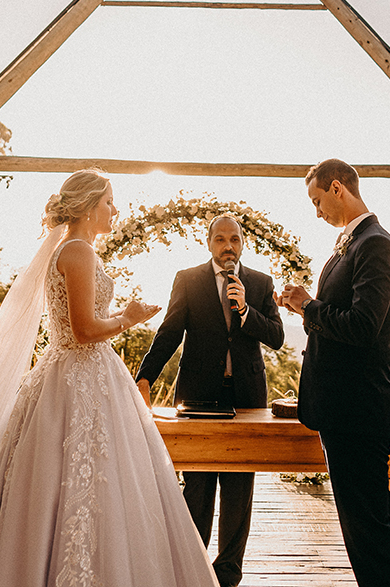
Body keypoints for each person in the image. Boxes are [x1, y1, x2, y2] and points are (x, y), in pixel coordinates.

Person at [0, 169, 219, 587]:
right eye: (109, 201)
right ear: (88, 205)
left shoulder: (73, 249)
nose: (115, 210)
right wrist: (127, 319)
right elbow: (83, 330)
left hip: (74, 373)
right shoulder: (78, 251)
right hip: (78, 374)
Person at [278, 159, 390, 587]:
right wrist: (307, 308)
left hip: (359, 410)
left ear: (338, 188)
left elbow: (364, 326)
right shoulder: (349, 244)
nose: (317, 212)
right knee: (359, 529)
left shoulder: (375, 245)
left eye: (317, 201)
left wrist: (306, 306)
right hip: (342, 409)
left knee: (370, 527)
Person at [135, 213, 284, 587]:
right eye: (220, 239)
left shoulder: (261, 283)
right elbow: (168, 332)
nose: (228, 245)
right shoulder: (188, 280)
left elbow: (278, 336)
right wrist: (145, 376)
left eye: (234, 239)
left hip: (248, 398)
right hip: (198, 396)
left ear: (242, 243)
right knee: (197, 489)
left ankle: (228, 575)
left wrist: (247, 311)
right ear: (209, 242)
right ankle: (193, 570)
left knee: (238, 491)